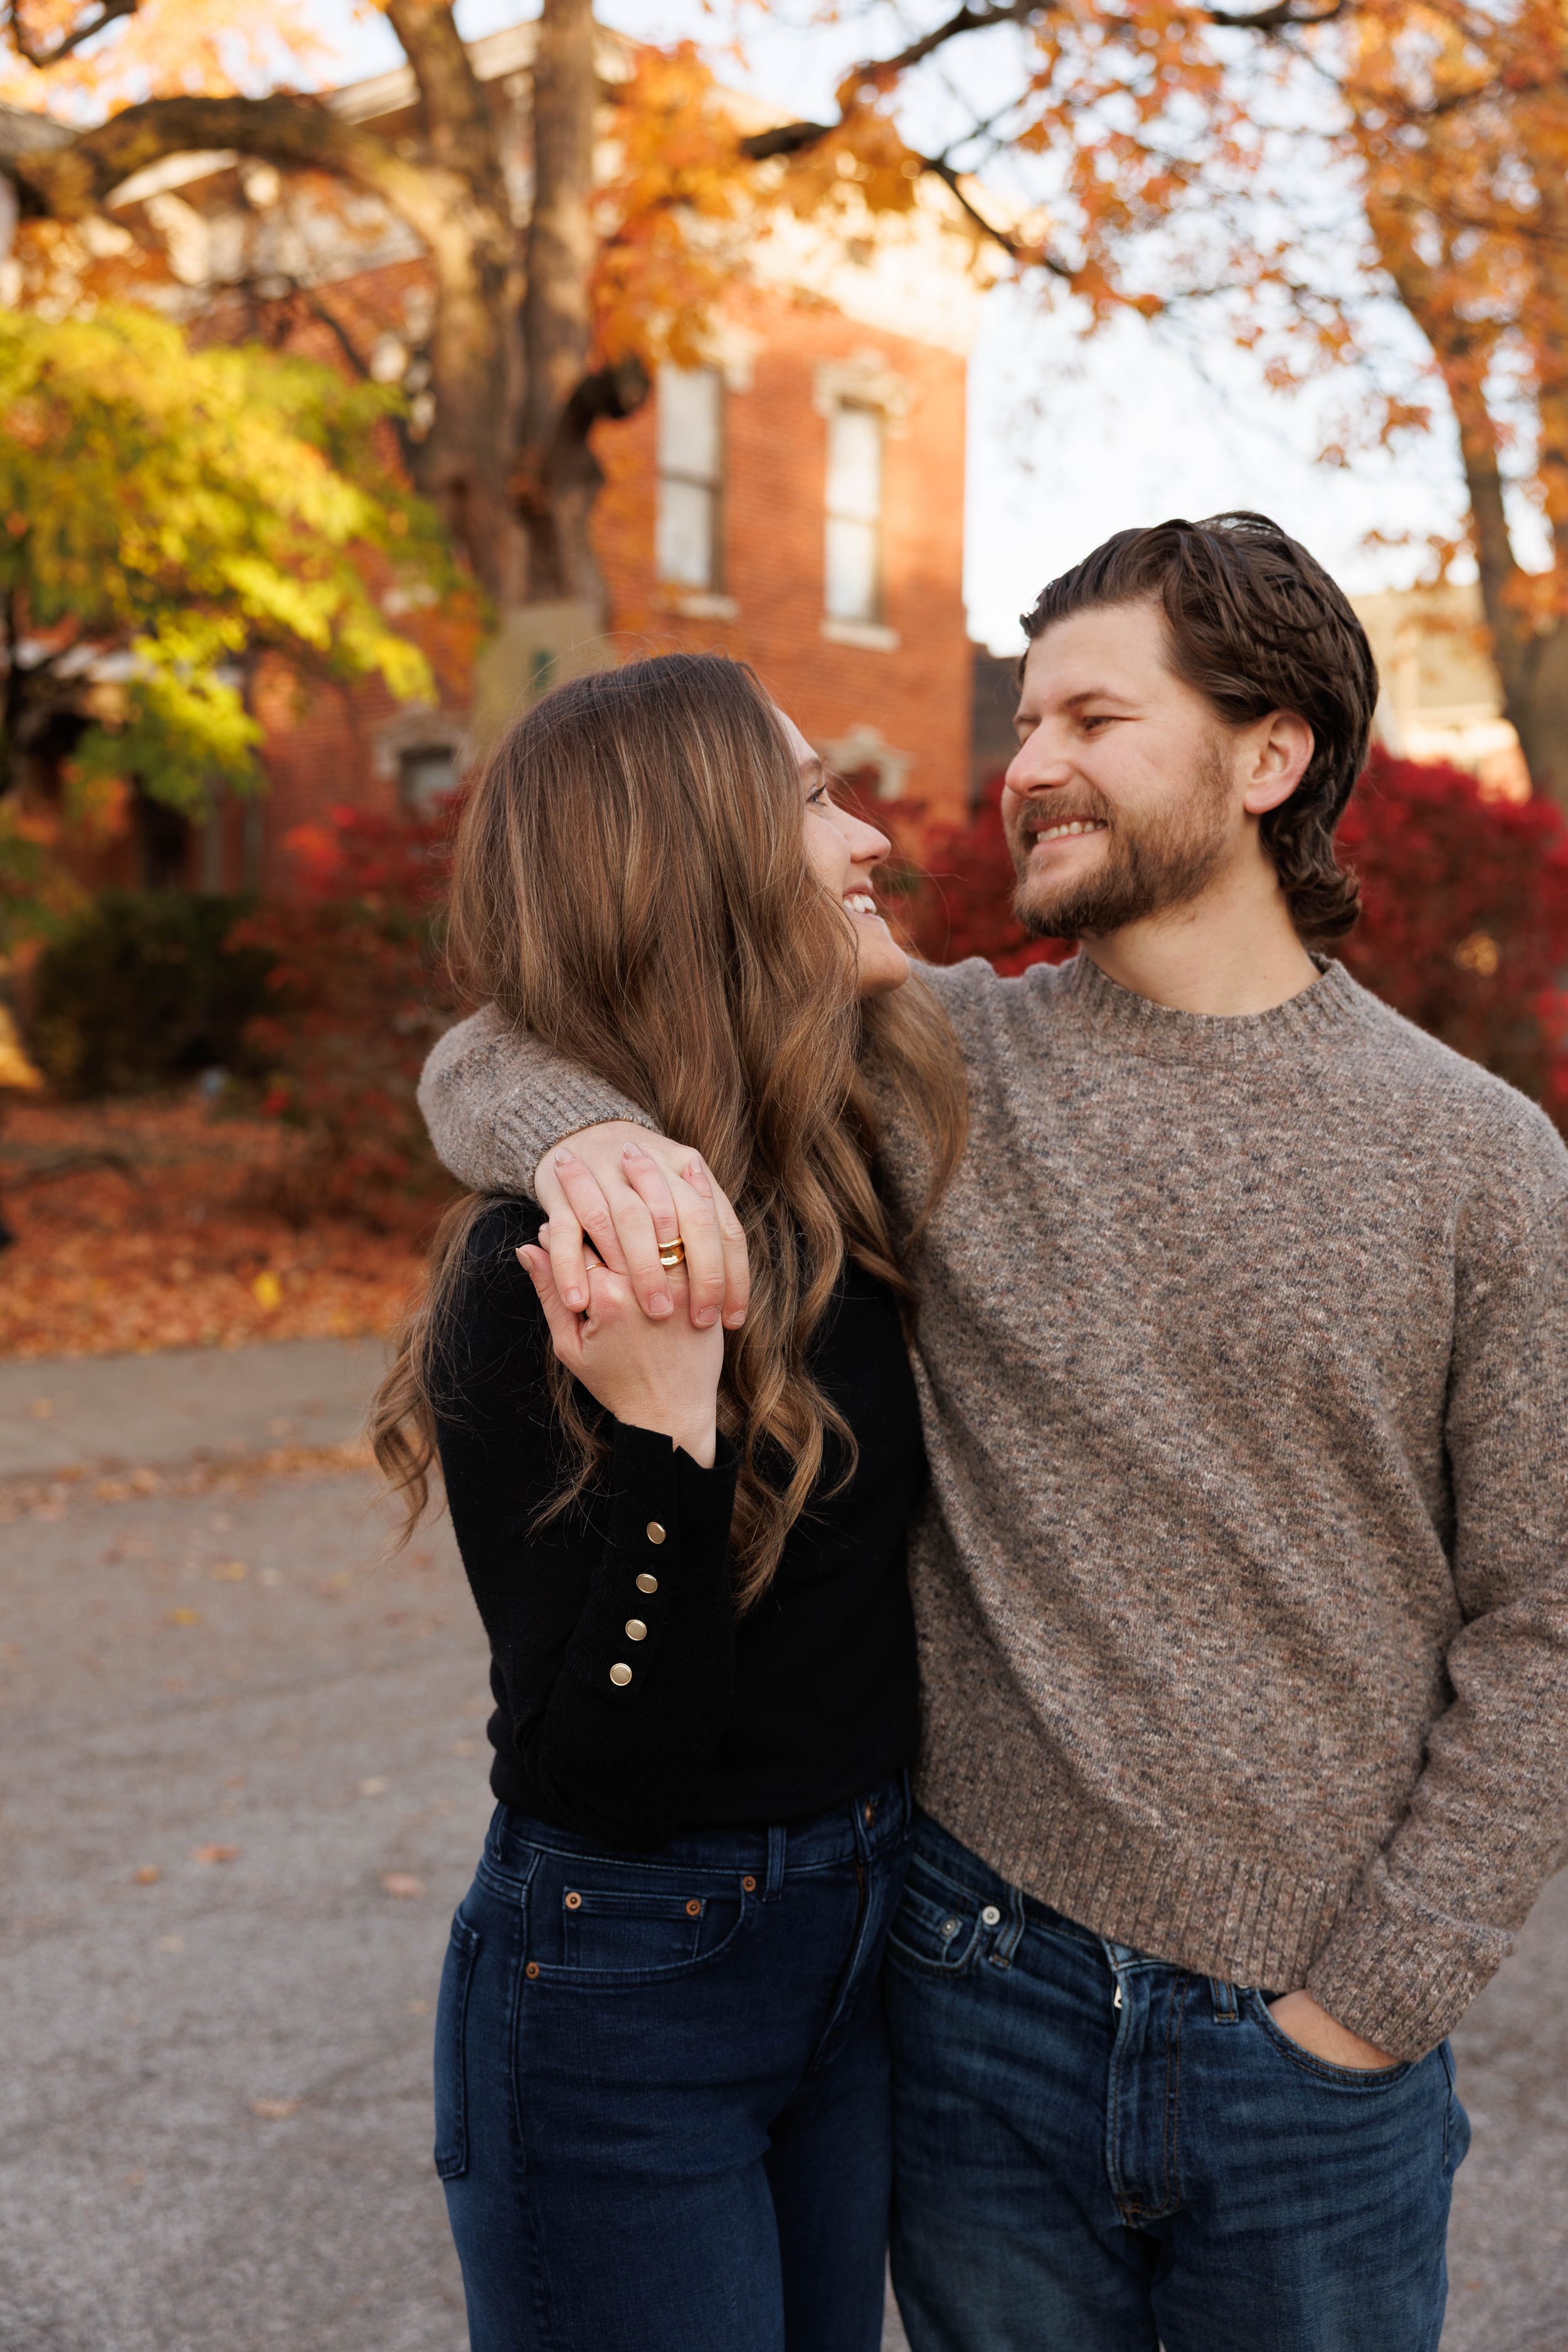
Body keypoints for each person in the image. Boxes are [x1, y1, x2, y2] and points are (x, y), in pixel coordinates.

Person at [418, 512, 1568, 2352]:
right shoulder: (930, 1064)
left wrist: (1379, 1997)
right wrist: (578, 1135)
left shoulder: (1478, 1162)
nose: (1024, 768)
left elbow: (1546, 1616)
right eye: (1023, 721)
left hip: (1309, 2060)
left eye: (1092, 721)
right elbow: (538, 1022)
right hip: (966, 2002)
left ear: (1268, 758)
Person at [370, 651, 967, 2352]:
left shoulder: (847, 1159)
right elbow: (602, 1777)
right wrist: (663, 1437)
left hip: (859, 1941)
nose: (866, 840)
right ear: (684, 867)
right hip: (626, 1984)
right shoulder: (542, 1271)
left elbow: (482, 1057)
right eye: (804, 800)